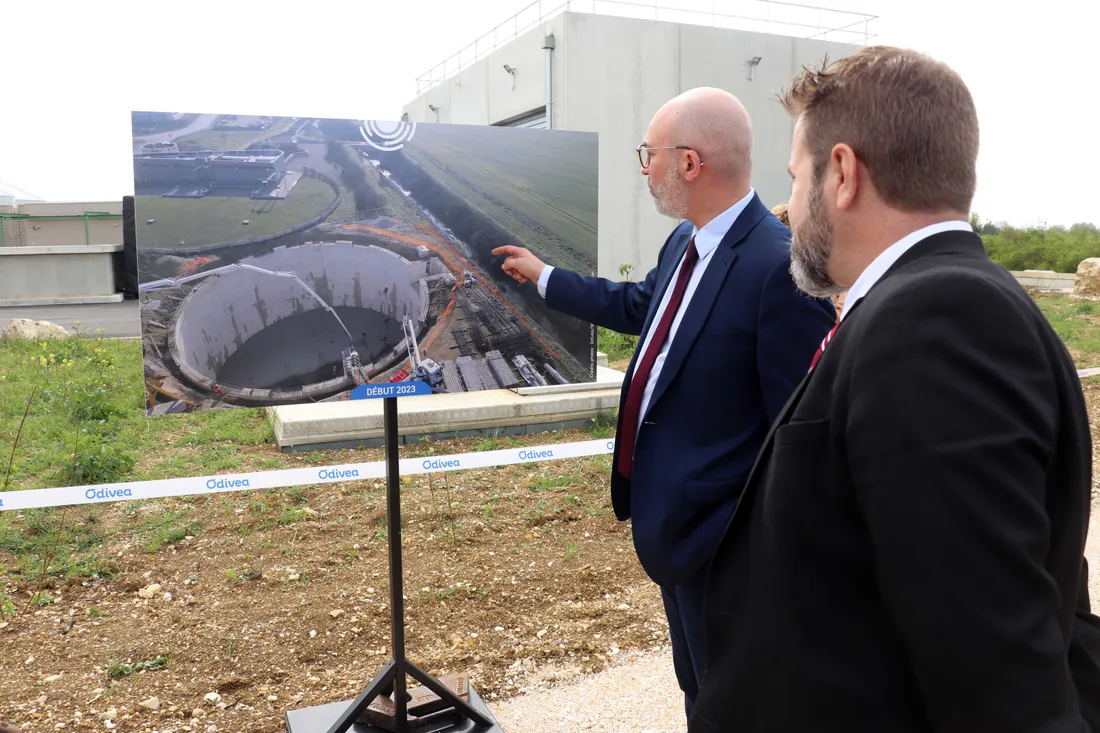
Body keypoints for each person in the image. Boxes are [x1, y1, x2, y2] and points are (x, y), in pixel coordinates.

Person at [692, 46, 1100, 733]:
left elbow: (1000, 675)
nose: (787, 208)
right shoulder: (936, 304)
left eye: (795, 178)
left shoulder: (936, 321)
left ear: (843, 173)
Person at [491, 87, 837, 717]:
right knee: (698, 694)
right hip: (673, 534)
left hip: (727, 551)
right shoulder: (686, 243)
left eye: (648, 154)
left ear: (689, 163)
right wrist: (544, 276)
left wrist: (763, 560)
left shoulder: (777, 270)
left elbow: (802, 435)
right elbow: (638, 305)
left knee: (739, 707)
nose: (644, 167)